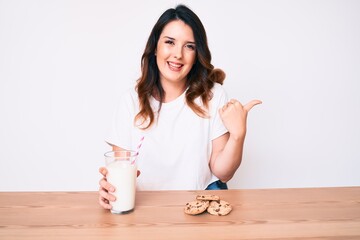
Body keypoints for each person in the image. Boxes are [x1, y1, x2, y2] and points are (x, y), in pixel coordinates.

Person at [98, 4, 261, 210]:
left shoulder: (214, 96)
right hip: (144, 211)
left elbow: (223, 172)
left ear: (196, 54)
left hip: (198, 213)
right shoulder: (130, 102)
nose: (178, 54)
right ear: (155, 47)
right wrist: (110, 191)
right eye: (170, 42)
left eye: (189, 46)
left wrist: (238, 135)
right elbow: (119, 169)